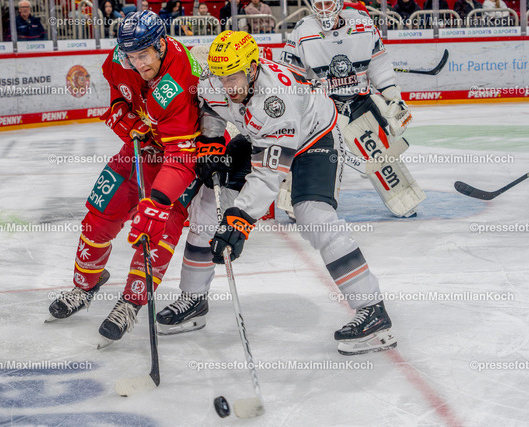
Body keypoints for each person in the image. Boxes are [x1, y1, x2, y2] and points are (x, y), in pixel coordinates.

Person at [157, 31, 397, 356]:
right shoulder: (215, 81)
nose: (228, 86)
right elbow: (212, 109)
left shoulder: (276, 101)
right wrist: (212, 142)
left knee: (314, 216)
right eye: (221, 78)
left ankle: (373, 310)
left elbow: (269, 175)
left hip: (314, 136)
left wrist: (240, 219)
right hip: (260, 137)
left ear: (252, 68)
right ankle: (193, 299)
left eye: (233, 78)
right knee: (208, 205)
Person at [47, 11, 202, 348]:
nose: (137, 63)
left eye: (143, 55)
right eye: (131, 56)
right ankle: (85, 287)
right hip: (138, 150)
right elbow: (119, 96)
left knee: (159, 230)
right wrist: (125, 119)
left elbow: (181, 157)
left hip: (179, 158)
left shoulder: (181, 79)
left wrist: (158, 204)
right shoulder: (121, 58)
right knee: (99, 214)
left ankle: (131, 303)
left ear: (161, 45)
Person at [280, 0, 425, 218]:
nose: (324, 9)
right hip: (325, 108)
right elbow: (290, 75)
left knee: (381, 157)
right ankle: (298, 201)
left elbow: (380, 66)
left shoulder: (363, 24)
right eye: (319, 4)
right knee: (314, 156)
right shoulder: (303, 30)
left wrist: (394, 98)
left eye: (328, 3)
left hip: (359, 103)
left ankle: (402, 198)